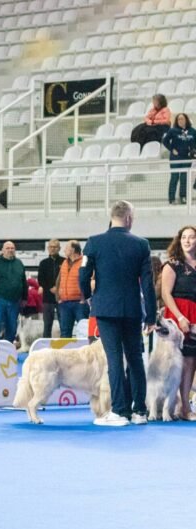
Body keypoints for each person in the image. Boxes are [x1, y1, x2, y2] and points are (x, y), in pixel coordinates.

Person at [78, 200, 157, 426]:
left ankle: (120, 411)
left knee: (114, 360)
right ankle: (140, 411)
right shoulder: (142, 244)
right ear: (130, 218)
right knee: (135, 359)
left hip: (105, 308)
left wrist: (89, 298)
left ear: (111, 216)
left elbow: (83, 276)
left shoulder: (94, 242)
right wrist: (150, 316)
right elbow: (148, 285)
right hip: (133, 310)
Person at [160, 225, 196, 420]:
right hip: (178, 316)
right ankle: (169, 407)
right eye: (184, 238)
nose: (187, 241)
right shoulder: (172, 265)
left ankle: (185, 407)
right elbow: (166, 294)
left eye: (191, 237)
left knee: (191, 361)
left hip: (195, 316)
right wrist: (180, 317)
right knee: (174, 364)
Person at [0, 241, 27, 343]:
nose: (10, 250)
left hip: (15, 302)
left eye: (12, 248)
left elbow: (24, 282)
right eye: (7, 248)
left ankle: (8, 350)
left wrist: (25, 298)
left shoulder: (19, 263)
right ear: (2, 250)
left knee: (12, 328)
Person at [55, 240, 87, 338]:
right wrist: (58, 297)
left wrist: (84, 298)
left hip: (80, 303)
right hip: (64, 303)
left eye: (66, 248)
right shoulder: (64, 262)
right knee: (64, 332)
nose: (64, 250)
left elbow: (88, 279)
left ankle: (85, 352)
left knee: (83, 331)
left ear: (73, 250)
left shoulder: (84, 261)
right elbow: (59, 280)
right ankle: (65, 353)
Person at [162, 113, 196, 204]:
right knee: (174, 177)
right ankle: (171, 198)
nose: (180, 121)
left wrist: (193, 151)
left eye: (182, 119)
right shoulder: (172, 131)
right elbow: (165, 141)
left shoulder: (193, 131)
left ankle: (183, 197)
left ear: (186, 120)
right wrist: (171, 149)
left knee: (184, 178)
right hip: (175, 158)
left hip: (187, 158)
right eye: (179, 119)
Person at [37, 239, 63, 338]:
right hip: (47, 298)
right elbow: (40, 279)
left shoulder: (64, 261)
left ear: (59, 248)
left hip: (61, 297)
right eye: (51, 247)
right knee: (47, 324)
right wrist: (49, 288)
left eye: (55, 247)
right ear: (48, 248)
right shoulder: (43, 263)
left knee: (63, 324)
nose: (53, 249)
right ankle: (46, 346)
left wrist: (58, 288)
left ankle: (64, 345)